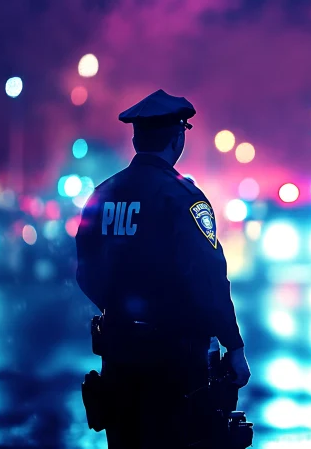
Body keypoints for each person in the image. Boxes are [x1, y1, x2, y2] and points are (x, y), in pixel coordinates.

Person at [75, 89, 251, 448]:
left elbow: (85, 269)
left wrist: (120, 307)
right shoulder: (181, 197)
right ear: (178, 138)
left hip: (119, 352)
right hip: (174, 360)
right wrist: (233, 346)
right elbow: (207, 280)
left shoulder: (103, 194)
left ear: (137, 138)